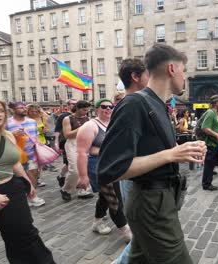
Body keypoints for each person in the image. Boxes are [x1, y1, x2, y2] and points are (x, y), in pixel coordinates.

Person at [97, 44, 206, 264]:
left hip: (160, 202)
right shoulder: (134, 103)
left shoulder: (159, 105)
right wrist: (171, 155)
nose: (185, 78)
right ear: (172, 69)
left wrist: (181, 151)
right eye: (184, 71)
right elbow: (111, 169)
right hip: (151, 205)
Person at [0, 96, 55, 264]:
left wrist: (27, 182)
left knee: (25, 236)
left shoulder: (8, 136)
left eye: (1, 110)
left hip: (12, 189)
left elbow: (15, 161)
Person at [110, 58, 149, 264]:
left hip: (136, 178)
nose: (150, 78)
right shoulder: (130, 105)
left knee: (142, 238)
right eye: (147, 74)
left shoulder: (138, 103)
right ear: (135, 77)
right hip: (132, 178)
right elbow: (121, 157)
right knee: (141, 237)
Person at [76, 99, 132, 240]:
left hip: (113, 166)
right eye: (104, 107)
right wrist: (83, 177)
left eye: (110, 107)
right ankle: (126, 232)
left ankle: (97, 222)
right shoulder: (90, 126)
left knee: (105, 196)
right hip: (98, 167)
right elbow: (82, 152)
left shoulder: (112, 123)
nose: (108, 109)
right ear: (96, 109)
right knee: (114, 198)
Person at [6, 102, 45, 207]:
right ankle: (22, 197)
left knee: (34, 175)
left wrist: (39, 145)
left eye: (24, 107)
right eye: (20, 107)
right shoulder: (7, 123)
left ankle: (32, 196)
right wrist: (12, 134)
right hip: (15, 156)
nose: (24, 109)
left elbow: (36, 136)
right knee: (18, 178)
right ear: (14, 110)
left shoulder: (32, 121)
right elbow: (1, 137)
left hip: (32, 154)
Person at [60, 100, 94, 201]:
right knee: (74, 170)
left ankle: (84, 190)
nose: (86, 112)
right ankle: (66, 189)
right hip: (72, 144)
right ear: (78, 108)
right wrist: (82, 128)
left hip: (85, 143)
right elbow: (67, 135)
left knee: (85, 168)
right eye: (84, 110)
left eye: (87, 110)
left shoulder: (87, 118)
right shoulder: (68, 118)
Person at [54, 98, 77, 188]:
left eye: (76, 104)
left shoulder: (82, 115)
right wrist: (56, 142)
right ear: (68, 105)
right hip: (65, 142)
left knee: (74, 163)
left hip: (78, 142)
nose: (74, 105)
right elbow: (57, 130)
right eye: (72, 104)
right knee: (69, 163)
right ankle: (62, 176)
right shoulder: (63, 116)